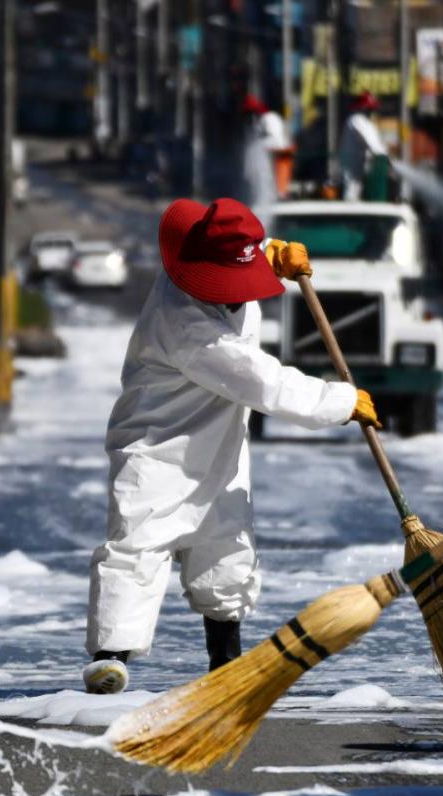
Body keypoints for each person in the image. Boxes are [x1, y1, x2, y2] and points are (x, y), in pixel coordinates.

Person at [84, 197, 380, 694]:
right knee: (137, 546)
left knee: (226, 545)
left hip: (221, 439)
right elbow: (263, 383)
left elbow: (238, 251)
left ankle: (225, 660)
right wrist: (339, 401)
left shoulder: (226, 263)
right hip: (157, 446)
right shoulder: (185, 323)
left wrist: (272, 252)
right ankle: (109, 658)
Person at [337, 91, 386, 201]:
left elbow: (376, 144)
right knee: (351, 193)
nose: (372, 111)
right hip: (352, 168)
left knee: (357, 191)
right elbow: (373, 145)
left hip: (361, 167)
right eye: (370, 108)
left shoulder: (366, 122)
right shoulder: (356, 120)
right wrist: (382, 154)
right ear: (364, 108)